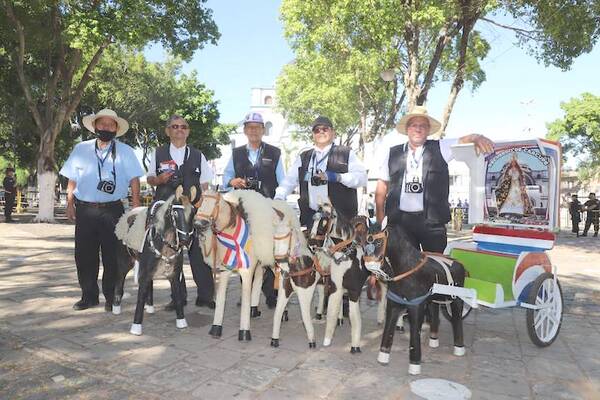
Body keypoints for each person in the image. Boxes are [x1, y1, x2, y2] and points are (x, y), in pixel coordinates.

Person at [374, 106, 494, 253]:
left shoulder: (440, 147)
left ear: (428, 130)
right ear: (407, 129)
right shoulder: (392, 153)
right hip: (400, 223)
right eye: (414, 125)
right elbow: (381, 186)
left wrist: (477, 137)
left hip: (432, 223)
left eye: (422, 126)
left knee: (437, 266)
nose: (418, 129)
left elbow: (464, 139)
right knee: (404, 268)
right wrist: (381, 219)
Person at [60, 109, 144, 311]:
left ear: (116, 129)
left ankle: (111, 296)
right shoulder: (81, 149)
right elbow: (72, 178)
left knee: (113, 255)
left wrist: (135, 209)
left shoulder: (126, 151)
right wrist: (69, 203)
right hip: (85, 210)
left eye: (110, 125)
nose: (106, 128)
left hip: (113, 210)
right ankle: (88, 296)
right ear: (95, 126)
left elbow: (134, 180)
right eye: (102, 124)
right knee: (84, 255)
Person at [147, 115, 215, 310]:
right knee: (171, 253)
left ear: (188, 131)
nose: (179, 129)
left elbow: (204, 182)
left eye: (183, 126)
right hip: (165, 211)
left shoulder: (197, 154)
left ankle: (205, 296)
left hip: (192, 209)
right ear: (168, 130)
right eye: (174, 126)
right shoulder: (158, 153)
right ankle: (178, 296)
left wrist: (200, 202)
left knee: (199, 252)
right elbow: (150, 177)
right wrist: (159, 180)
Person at [223, 112, 285, 309]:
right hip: (244, 210)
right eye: (249, 127)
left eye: (257, 127)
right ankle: (247, 294)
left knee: (269, 251)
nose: (253, 131)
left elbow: (283, 182)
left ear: (263, 130)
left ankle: (270, 293)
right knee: (245, 251)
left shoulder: (275, 152)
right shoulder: (236, 153)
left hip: (266, 209)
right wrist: (233, 181)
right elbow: (226, 178)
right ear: (244, 130)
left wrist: (278, 205)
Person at [275, 116, 367, 228]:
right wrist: (279, 199)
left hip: (342, 223)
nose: (321, 132)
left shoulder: (346, 153)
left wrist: (337, 177)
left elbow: (362, 178)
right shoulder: (304, 157)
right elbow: (288, 182)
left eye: (325, 129)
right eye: (317, 130)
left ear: (333, 133)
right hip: (311, 220)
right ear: (313, 135)